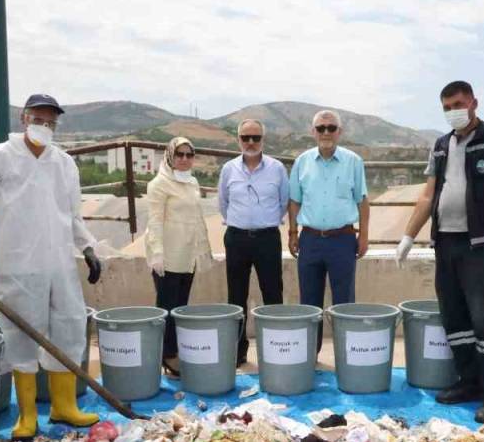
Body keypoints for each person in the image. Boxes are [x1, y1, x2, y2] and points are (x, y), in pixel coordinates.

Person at [0, 93, 103, 440]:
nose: (44, 126)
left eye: (51, 121)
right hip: (18, 266)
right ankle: (28, 415)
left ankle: (64, 407)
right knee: (21, 337)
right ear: (24, 118)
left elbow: (71, 216)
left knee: (69, 328)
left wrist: (88, 247)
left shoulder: (63, 164)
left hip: (59, 264)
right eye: (38, 119)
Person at [395, 81, 484, 423]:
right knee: (455, 317)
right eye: (446, 106)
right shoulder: (441, 145)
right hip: (446, 241)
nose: (453, 111)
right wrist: (408, 236)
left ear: (474, 102)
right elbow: (429, 196)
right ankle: (468, 382)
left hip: (483, 244)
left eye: (458, 103)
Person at [287, 110, 369, 354]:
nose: (326, 132)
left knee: (344, 303)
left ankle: (346, 356)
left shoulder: (354, 161)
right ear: (313, 132)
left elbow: (362, 201)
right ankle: (309, 356)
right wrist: (292, 233)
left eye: (331, 128)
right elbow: (294, 201)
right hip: (310, 240)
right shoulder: (301, 162)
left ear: (339, 132)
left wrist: (363, 236)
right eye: (320, 128)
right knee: (309, 304)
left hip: (343, 240)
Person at [218, 119, 289, 365]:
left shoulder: (277, 168)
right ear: (238, 139)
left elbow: (283, 203)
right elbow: (223, 204)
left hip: (267, 238)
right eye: (245, 137)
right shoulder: (228, 169)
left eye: (255, 138)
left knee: (273, 294)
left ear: (263, 140)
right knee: (236, 296)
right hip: (236, 238)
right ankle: (238, 353)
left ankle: (276, 351)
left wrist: (263, 222)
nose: (250, 142)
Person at [145, 137, 214, 377]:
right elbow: (154, 221)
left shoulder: (191, 182)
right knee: (167, 306)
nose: (184, 159)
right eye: (179, 154)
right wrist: (157, 253)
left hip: (187, 255)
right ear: (169, 156)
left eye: (189, 155)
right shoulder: (159, 184)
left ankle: (175, 352)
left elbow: (196, 218)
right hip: (168, 256)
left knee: (180, 307)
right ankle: (167, 354)